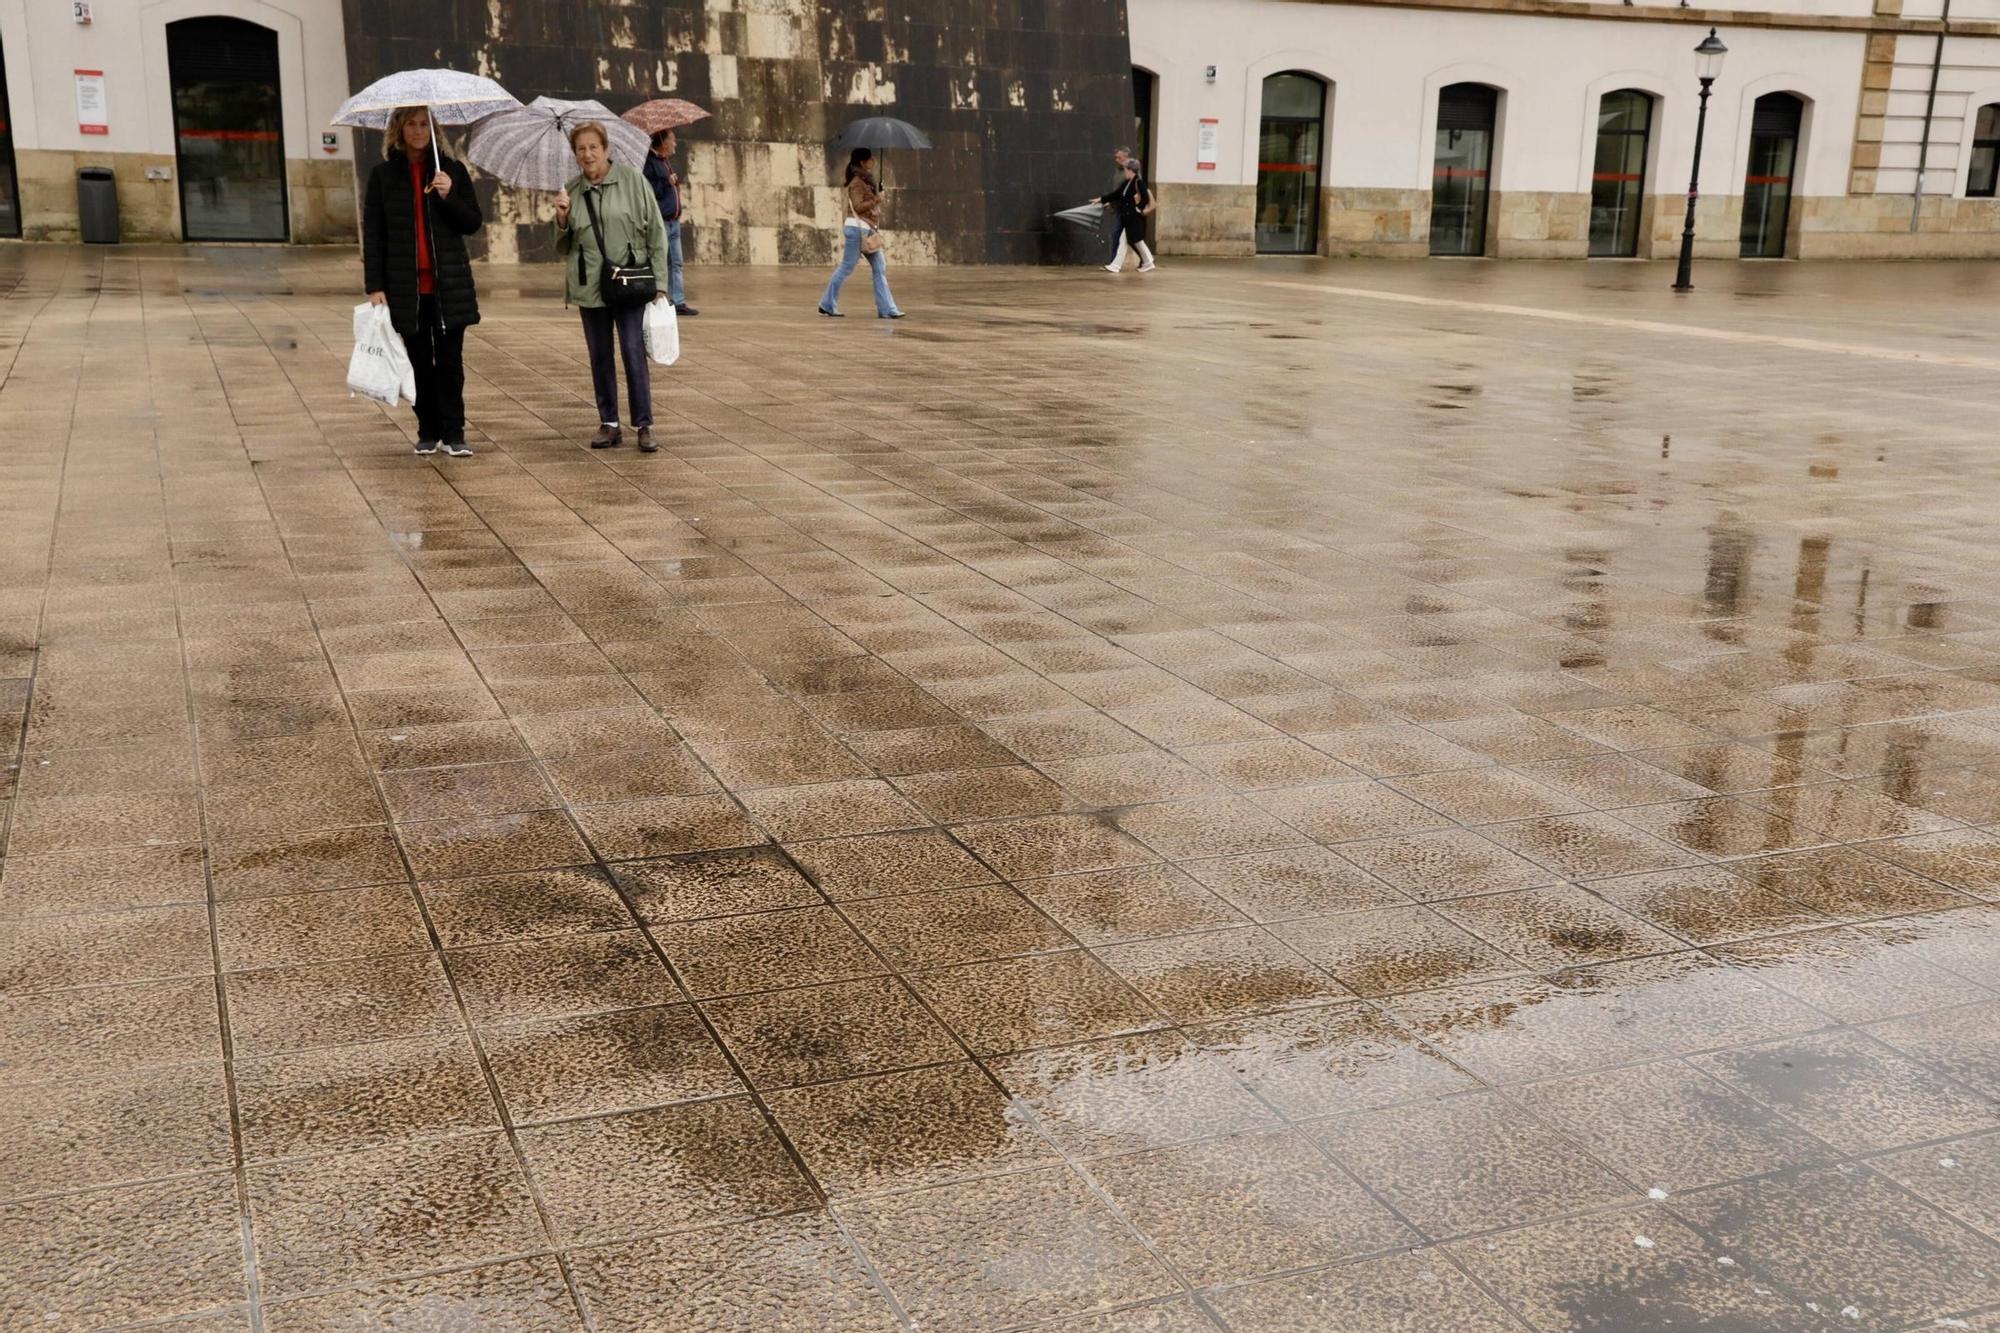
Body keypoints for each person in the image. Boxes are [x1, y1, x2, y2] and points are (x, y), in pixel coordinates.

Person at [363, 105, 484, 456]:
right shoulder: (384, 176)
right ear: (399, 130)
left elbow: (471, 222)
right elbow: (374, 234)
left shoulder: (452, 171)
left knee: (450, 362)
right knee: (417, 362)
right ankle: (428, 430)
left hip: (448, 287)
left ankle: (455, 432)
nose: (418, 131)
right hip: (406, 288)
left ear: (434, 130)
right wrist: (375, 285)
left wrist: (449, 197)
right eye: (411, 125)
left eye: (424, 125)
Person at [553, 121, 671, 452]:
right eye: (580, 149)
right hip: (590, 285)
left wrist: (660, 282)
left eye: (593, 147)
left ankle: (644, 424)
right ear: (575, 154)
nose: (587, 154)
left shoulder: (634, 181)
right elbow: (563, 246)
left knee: (633, 351)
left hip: (630, 282)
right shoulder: (572, 191)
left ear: (606, 150)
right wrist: (561, 218)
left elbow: (656, 234)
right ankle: (609, 423)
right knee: (600, 355)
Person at [817, 148, 904, 319]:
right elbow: (857, 207)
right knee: (847, 267)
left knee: (879, 267)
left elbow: (867, 205)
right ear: (863, 162)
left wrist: (876, 195)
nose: (873, 161)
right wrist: (877, 199)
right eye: (870, 159)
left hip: (866, 230)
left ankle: (887, 309)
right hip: (857, 230)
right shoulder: (857, 182)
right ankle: (827, 304)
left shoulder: (865, 180)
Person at [642, 128, 698, 317]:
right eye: (672, 140)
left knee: (676, 262)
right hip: (662, 222)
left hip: (673, 221)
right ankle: (656, 298)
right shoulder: (649, 163)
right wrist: (666, 182)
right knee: (659, 261)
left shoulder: (664, 161)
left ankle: (678, 300)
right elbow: (650, 191)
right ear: (663, 142)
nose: (675, 143)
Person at [1101, 157, 1158, 274]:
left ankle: (1117, 265)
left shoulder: (1138, 182)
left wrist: (1138, 208)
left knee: (1134, 241)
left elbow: (1145, 198)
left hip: (1133, 218)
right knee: (1133, 241)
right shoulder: (1127, 183)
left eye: (1125, 169)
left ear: (1131, 170)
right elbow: (1116, 194)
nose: (1124, 172)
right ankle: (1147, 262)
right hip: (1129, 217)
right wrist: (1101, 199)